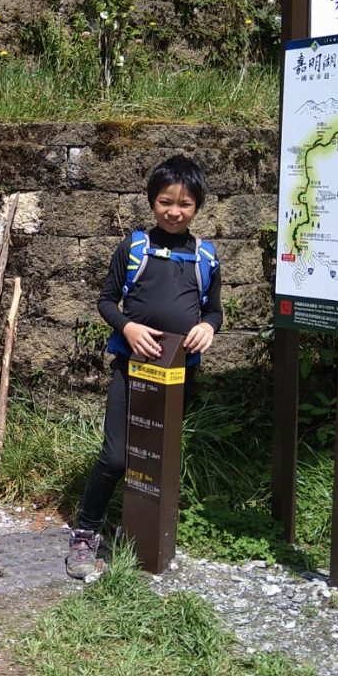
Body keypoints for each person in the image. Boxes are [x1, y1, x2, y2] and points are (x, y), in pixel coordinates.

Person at [66, 154, 221, 580]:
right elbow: (105, 300)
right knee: (116, 457)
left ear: (198, 207)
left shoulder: (206, 257)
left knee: (159, 456)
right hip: (130, 371)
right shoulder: (133, 247)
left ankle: (144, 535)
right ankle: (86, 531)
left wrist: (209, 328)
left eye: (185, 204)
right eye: (166, 201)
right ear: (152, 201)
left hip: (178, 375)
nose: (174, 211)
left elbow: (214, 311)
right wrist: (128, 327)